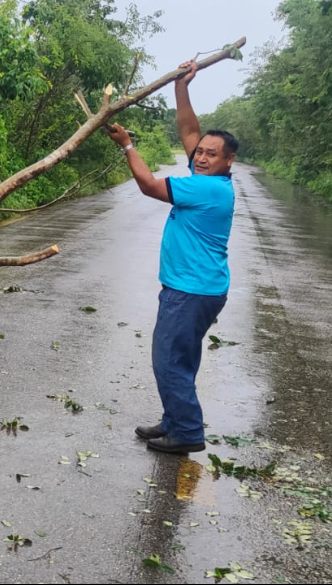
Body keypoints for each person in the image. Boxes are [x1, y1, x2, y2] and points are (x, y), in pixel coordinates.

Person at [106, 59, 238, 454]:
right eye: (200, 152)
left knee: (168, 361)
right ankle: (173, 421)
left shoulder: (209, 189)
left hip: (191, 291)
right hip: (199, 289)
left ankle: (186, 434)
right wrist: (182, 86)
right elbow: (189, 131)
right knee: (181, 359)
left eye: (211, 154)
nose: (201, 156)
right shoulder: (209, 177)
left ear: (228, 161)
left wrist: (127, 145)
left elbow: (148, 185)